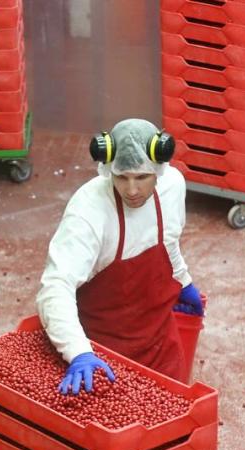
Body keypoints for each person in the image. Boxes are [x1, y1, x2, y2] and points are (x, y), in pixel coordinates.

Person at [37, 118, 203, 395]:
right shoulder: (89, 211)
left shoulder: (172, 186)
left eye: (142, 177)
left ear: (159, 170)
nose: (132, 190)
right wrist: (79, 353)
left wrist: (183, 281)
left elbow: (169, 240)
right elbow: (55, 287)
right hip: (102, 357)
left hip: (159, 346)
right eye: (122, 177)